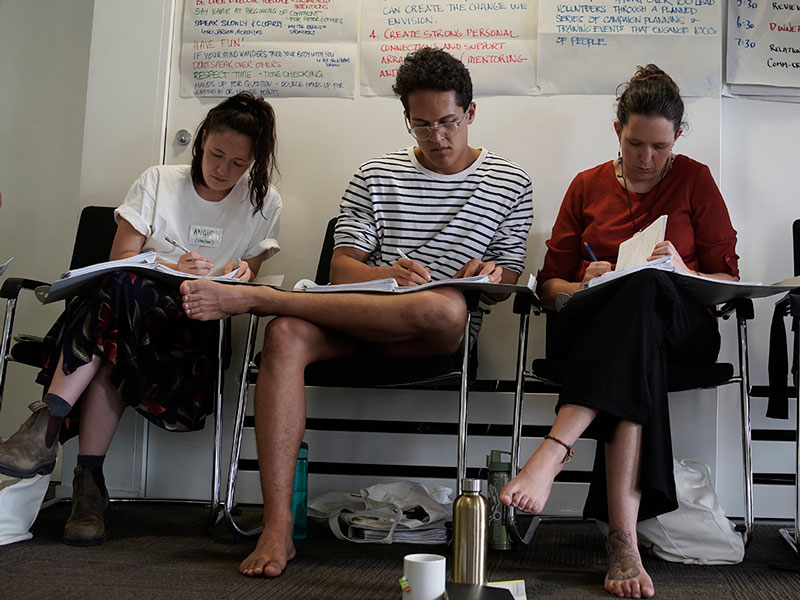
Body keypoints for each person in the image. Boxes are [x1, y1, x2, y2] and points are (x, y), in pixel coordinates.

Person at [179, 47, 533, 577]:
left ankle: (260, 296)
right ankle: (277, 526)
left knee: (444, 309)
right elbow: (343, 271)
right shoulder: (374, 174)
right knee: (284, 336)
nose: (436, 137)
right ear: (406, 120)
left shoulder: (511, 183)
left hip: (434, 335)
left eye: (448, 123)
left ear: (471, 113)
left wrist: (492, 277)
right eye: (422, 125)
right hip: (358, 318)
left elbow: (506, 283)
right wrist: (388, 276)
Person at [0, 92, 282, 546]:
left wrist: (242, 274)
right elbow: (121, 258)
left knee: (111, 314)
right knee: (119, 302)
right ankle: (88, 487)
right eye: (216, 155)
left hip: (190, 328)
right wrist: (171, 268)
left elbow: (247, 282)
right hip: (124, 316)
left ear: (254, 163)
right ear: (202, 140)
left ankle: (47, 431)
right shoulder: (158, 180)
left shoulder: (263, 202)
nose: (223, 170)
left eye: (238, 163)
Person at [500, 64, 739, 599]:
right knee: (634, 326)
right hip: (594, 327)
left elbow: (728, 281)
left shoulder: (695, 179)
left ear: (677, 137)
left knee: (647, 291)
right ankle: (623, 542)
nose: (647, 159)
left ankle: (554, 452)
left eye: (660, 146)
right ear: (617, 132)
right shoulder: (586, 185)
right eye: (636, 144)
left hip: (682, 326)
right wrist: (583, 278)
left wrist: (684, 270)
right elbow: (548, 286)